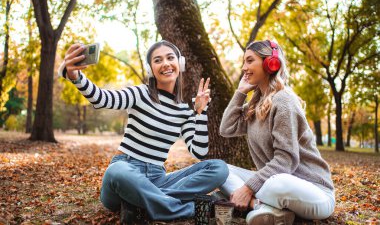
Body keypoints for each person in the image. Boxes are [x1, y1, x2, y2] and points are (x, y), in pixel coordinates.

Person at [58, 40, 229, 221]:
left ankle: (139, 204)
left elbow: (200, 152)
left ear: (180, 63)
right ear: (150, 69)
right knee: (117, 170)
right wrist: (76, 77)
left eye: (170, 58)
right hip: (126, 173)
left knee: (218, 168)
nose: (165, 63)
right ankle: (187, 208)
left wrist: (200, 113)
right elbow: (102, 99)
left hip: (157, 178)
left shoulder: (184, 111)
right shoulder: (140, 94)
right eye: (157, 60)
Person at [218, 40, 335, 225]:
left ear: (270, 64)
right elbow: (226, 129)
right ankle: (261, 208)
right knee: (219, 169)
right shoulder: (255, 105)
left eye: (249, 61)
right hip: (274, 184)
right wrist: (240, 92)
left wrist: (247, 188)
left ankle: (255, 202)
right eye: (243, 62)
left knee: (276, 182)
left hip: (314, 193)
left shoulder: (284, 100)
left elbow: (286, 160)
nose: (243, 67)